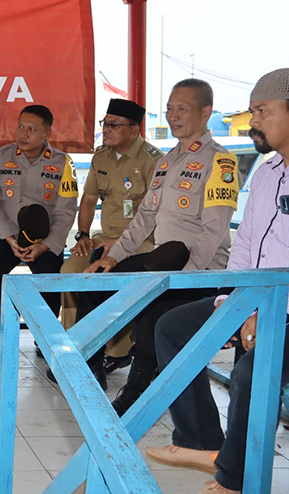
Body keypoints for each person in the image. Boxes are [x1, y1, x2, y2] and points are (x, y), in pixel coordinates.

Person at [147, 69, 289, 494]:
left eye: (262, 111)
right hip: (255, 299)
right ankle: (203, 442)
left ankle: (234, 478)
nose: (253, 122)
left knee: (249, 372)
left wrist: (269, 314)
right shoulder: (266, 171)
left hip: (283, 310)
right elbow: (246, 242)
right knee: (172, 328)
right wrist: (233, 299)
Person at [82, 78, 238, 416]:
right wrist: (112, 257)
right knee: (98, 283)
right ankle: (89, 366)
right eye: (169, 108)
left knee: (152, 311)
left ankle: (137, 389)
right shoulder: (166, 162)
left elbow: (213, 230)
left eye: (182, 108)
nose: (173, 115)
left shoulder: (220, 162)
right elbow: (143, 218)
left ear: (206, 112)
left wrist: (187, 277)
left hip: (201, 268)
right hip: (164, 261)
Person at [58, 99, 162, 387]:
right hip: (104, 241)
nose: (106, 129)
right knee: (69, 274)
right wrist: (83, 235)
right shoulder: (101, 157)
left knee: (105, 282)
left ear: (133, 130)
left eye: (114, 125)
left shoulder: (154, 161)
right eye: (105, 123)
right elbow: (89, 199)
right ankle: (73, 347)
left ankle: (114, 351)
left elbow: (155, 215)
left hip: (142, 243)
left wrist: (122, 241)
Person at [0, 104, 79, 357]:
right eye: (20, 127)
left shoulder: (63, 163)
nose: (23, 134)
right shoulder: (0, 158)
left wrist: (47, 244)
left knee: (50, 276)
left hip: (43, 240)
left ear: (47, 133)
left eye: (31, 129)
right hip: (7, 236)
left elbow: (66, 210)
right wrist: (9, 239)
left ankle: (43, 335)